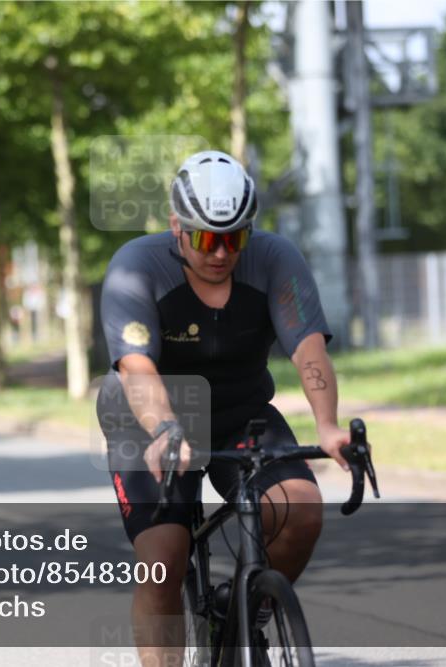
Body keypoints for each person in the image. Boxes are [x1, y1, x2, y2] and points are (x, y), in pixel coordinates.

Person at [97, 150, 350, 664]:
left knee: (301, 509)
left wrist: (327, 425)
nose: (220, 252)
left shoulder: (276, 258)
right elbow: (138, 369)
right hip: (150, 418)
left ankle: (239, 616)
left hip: (240, 410)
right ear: (176, 227)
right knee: (164, 561)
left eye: (234, 238)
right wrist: (167, 428)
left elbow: (308, 349)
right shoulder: (135, 268)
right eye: (207, 238)